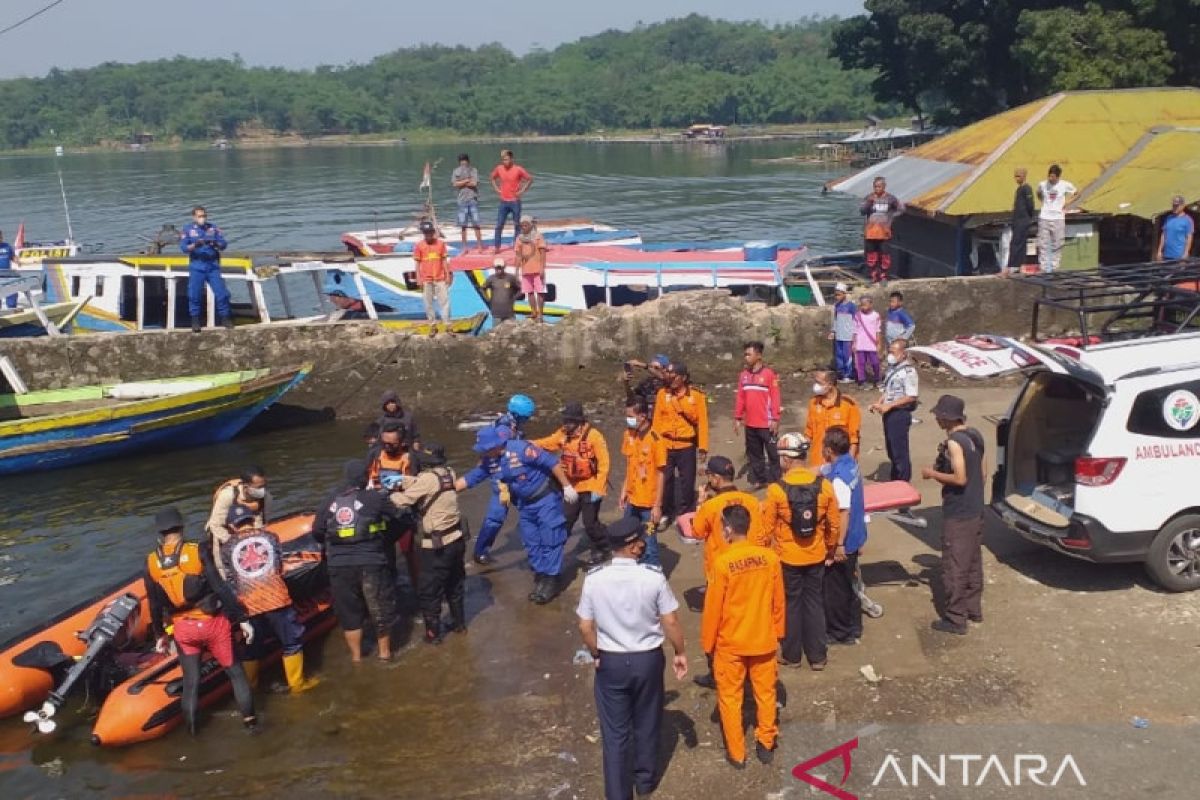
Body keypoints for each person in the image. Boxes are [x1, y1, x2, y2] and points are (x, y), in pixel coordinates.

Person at [576, 516, 689, 800]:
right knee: (647, 721)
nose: (643, 544)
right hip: (647, 659)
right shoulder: (652, 577)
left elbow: (585, 627)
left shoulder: (594, 579)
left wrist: (596, 653)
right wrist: (680, 652)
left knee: (615, 733)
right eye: (641, 540)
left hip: (612, 661)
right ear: (633, 547)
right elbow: (671, 621)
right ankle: (645, 781)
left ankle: (617, 793)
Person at [143, 506, 257, 734]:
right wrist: (241, 618)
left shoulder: (151, 561)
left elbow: (155, 604)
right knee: (236, 674)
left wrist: (160, 635)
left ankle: (193, 733)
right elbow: (220, 586)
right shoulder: (197, 550)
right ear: (181, 527)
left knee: (191, 683)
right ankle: (250, 725)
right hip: (213, 624)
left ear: (159, 533)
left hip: (183, 629)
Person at [701, 504, 785, 769]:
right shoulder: (769, 558)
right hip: (763, 639)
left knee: (730, 698)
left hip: (731, 643)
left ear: (727, 529)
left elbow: (712, 609)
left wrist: (707, 644)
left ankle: (737, 753)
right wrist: (778, 632)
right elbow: (779, 601)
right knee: (765, 693)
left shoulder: (723, 563)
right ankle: (766, 741)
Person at [456, 425, 576, 604]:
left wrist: (567, 486)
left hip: (545, 499)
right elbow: (470, 479)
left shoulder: (522, 449)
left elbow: (552, 463)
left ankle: (551, 579)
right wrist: (442, 489)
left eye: (485, 449)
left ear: (495, 445)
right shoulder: (490, 461)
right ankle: (541, 574)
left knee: (551, 538)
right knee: (531, 541)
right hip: (524, 505)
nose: (483, 453)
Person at [311, 459, 403, 662]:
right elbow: (398, 518)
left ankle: (356, 658)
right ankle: (385, 654)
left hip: (339, 564)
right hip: (371, 560)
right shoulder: (375, 498)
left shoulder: (329, 500)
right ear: (366, 477)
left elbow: (317, 531)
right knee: (379, 607)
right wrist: (385, 540)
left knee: (349, 613)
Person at [220, 505, 319, 693]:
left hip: (249, 604)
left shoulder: (227, 548)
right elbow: (279, 566)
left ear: (232, 526)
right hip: (276, 599)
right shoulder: (270, 537)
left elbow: (231, 580)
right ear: (252, 519)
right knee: (291, 643)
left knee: (252, 648)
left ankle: (251, 689)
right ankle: (297, 685)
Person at [761, 433, 839, 670]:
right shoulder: (824, 486)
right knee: (815, 602)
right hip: (816, 555)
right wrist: (830, 550)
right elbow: (833, 525)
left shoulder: (776, 491)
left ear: (786, 459)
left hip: (787, 558)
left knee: (791, 604)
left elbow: (766, 529)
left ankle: (792, 655)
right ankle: (818, 657)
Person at [689, 455, 767, 690]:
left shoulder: (712, 506)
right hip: (751, 569)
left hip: (721, 573)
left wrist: (700, 502)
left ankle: (719, 672)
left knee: (718, 625)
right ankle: (751, 669)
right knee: (751, 619)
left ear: (715, 478)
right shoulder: (751, 501)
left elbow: (696, 531)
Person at [389, 443, 468, 645]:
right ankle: (459, 624)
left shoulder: (426, 479)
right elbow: (426, 483)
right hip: (456, 539)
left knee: (428, 590)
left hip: (436, 546)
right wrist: (403, 480)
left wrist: (385, 496)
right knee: (454, 584)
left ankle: (433, 635)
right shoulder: (448, 472)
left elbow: (403, 500)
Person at [921, 395, 986, 636]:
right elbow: (983, 471)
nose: (936, 418)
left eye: (939, 415)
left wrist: (932, 474)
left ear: (947, 417)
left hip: (959, 513)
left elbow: (960, 478)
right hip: (976, 508)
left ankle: (956, 618)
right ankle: (973, 609)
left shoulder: (954, 443)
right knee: (972, 561)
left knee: (955, 565)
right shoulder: (976, 435)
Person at [534, 403, 612, 566]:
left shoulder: (594, 436)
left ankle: (605, 547)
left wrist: (598, 488)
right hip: (572, 485)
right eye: (564, 420)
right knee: (566, 520)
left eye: (568, 421)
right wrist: (527, 444)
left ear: (578, 421)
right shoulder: (563, 434)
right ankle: (554, 552)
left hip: (591, 486)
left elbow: (604, 464)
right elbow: (547, 443)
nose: (565, 424)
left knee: (590, 523)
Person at [471, 393, 536, 565]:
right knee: (495, 517)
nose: (526, 420)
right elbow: (492, 452)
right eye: (525, 418)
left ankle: (535, 544)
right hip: (502, 479)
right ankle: (480, 551)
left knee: (530, 509)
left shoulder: (512, 426)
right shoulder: (504, 430)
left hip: (514, 475)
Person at [820, 427, 868, 646]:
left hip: (845, 541)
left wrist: (838, 545)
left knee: (836, 589)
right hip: (857, 535)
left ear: (829, 450)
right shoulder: (851, 464)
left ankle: (840, 632)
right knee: (851, 583)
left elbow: (843, 513)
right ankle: (854, 626)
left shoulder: (838, 480)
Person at [652, 361, 708, 530]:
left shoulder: (696, 397)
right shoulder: (662, 394)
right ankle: (667, 512)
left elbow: (703, 424)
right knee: (665, 481)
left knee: (687, 482)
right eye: (667, 374)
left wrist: (703, 449)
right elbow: (656, 422)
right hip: (666, 444)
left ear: (683, 377)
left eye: (673, 374)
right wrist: (655, 445)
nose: (669, 377)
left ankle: (685, 513)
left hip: (686, 446)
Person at [367, 421, 421, 589]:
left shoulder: (409, 458)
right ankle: (391, 582)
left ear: (402, 442)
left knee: (409, 552)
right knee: (383, 548)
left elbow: (416, 487)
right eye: (384, 443)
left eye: (392, 444)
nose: (387, 446)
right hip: (381, 511)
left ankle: (418, 587)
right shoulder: (376, 454)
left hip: (403, 512)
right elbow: (366, 478)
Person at [618, 397, 668, 568]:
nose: (628, 419)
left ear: (643, 416)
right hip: (632, 499)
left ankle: (654, 575)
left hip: (649, 504)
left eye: (631, 416)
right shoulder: (628, 435)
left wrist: (658, 505)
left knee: (650, 543)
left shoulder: (656, 440)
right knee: (627, 538)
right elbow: (629, 465)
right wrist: (624, 490)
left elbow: (661, 474)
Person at [734, 340, 782, 489]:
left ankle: (776, 480)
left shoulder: (769, 375)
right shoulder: (743, 376)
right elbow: (741, 398)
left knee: (773, 454)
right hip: (750, 424)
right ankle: (760, 479)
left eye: (749, 354)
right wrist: (737, 417)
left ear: (759, 355)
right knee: (754, 454)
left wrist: (775, 418)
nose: (746, 357)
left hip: (766, 423)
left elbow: (775, 397)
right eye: (745, 354)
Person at [870, 338, 919, 482]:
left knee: (899, 451)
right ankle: (895, 477)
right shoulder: (893, 368)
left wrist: (889, 406)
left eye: (893, 352)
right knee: (891, 447)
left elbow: (911, 396)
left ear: (903, 354)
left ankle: (903, 481)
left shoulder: (909, 372)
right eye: (889, 351)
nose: (889, 355)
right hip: (889, 413)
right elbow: (889, 390)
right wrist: (879, 402)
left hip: (899, 414)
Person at [179, 205, 231, 332]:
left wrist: (215, 243)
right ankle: (195, 321)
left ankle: (225, 318)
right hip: (197, 265)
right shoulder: (188, 230)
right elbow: (184, 248)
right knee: (194, 294)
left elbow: (223, 244)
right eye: (200, 216)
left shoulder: (212, 228)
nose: (202, 218)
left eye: (204, 216)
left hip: (212, 265)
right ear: (194, 217)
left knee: (222, 293)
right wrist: (196, 244)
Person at [207, 466, 270, 558]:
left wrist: (258, 539)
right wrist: (234, 543)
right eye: (259, 487)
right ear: (246, 487)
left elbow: (258, 519)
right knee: (224, 563)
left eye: (264, 486)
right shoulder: (228, 495)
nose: (263, 490)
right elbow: (215, 525)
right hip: (223, 533)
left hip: (245, 530)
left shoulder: (260, 495)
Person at [803, 369, 861, 468]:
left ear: (830, 385)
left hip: (839, 464)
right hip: (818, 464)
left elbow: (853, 438)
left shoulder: (848, 405)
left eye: (819, 382)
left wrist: (849, 464)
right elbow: (808, 433)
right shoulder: (813, 403)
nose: (815, 385)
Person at [859, 177, 904, 284]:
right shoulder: (868, 197)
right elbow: (862, 211)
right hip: (870, 233)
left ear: (884, 187)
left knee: (885, 256)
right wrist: (869, 203)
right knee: (871, 256)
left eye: (879, 186)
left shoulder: (891, 198)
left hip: (884, 233)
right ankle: (873, 276)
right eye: (875, 186)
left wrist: (891, 217)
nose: (877, 189)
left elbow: (901, 209)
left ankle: (883, 276)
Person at [1036, 164, 1077, 274]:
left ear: (1058, 177)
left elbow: (1076, 193)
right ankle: (1044, 267)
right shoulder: (1042, 184)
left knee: (1058, 242)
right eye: (1050, 176)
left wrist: (1066, 203)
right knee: (1043, 243)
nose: (1051, 178)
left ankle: (1055, 266)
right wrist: (1043, 201)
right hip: (1044, 216)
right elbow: (1038, 193)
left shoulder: (1064, 185)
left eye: (1053, 176)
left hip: (1058, 217)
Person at [490, 149, 533, 252]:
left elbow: (530, 179)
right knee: (499, 225)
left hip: (515, 201)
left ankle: (516, 246)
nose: (505, 162)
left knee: (517, 225)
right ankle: (497, 247)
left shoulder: (518, 169)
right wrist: (497, 189)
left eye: (506, 159)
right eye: (503, 160)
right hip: (503, 201)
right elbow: (492, 178)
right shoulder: (499, 168)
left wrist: (522, 191)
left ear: (512, 159)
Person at [413, 220, 451, 335]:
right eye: (426, 233)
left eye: (430, 232)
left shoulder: (440, 244)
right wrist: (418, 277)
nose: (428, 235)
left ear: (433, 232)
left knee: (444, 302)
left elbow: (444, 260)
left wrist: (447, 275)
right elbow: (417, 263)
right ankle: (433, 325)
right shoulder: (419, 245)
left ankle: (447, 325)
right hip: (426, 279)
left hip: (440, 277)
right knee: (428, 303)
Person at [514, 215, 548, 323]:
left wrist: (542, 268)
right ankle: (534, 312)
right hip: (526, 269)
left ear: (530, 225)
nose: (524, 227)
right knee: (529, 292)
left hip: (537, 269)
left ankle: (541, 314)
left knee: (540, 292)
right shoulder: (519, 239)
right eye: (522, 225)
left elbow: (543, 253)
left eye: (526, 225)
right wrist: (516, 270)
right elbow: (518, 255)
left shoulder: (538, 236)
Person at [1003, 167, 1035, 277]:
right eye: (1015, 176)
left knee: (1016, 243)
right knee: (1018, 243)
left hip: (1023, 220)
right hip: (1017, 220)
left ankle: (1009, 267)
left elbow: (1030, 205)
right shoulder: (1019, 189)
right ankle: (1020, 266)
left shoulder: (1027, 188)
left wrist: (1027, 217)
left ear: (1024, 176)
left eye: (1018, 176)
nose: (1016, 178)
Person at [451, 153, 484, 252]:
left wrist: (461, 182)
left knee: (476, 224)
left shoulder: (474, 170)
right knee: (463, 225)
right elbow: (454, 184)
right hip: (462, 201)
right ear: (459, 162)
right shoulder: (456, 171)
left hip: (472, 199)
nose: (463, 162)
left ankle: (479, 246)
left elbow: (475, 183)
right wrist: (466, 180)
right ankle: (464, 247)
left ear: (468, 161)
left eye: (465, 160)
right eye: (461, 161)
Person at [828, 283, 856, 383]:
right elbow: (835, 320)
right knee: (839, 355)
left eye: (839, 294)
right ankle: (841, 373)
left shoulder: (851, 306)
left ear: (844, 294)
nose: (837, 297)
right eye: (836, 295)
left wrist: (854, 334)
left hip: (848, 336)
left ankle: (849, 374)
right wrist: (833, 331)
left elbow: (855, 321)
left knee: (847, 355)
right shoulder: (836, 306)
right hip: (839, 335)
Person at [853, 294, 882, 389]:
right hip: (860, 344)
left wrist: (879, 343)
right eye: (861, 305)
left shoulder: (876, 316)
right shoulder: (857, 316)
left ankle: (877, 379)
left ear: (871, 304)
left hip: (872, 344)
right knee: (860, 364)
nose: (863, 307)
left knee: (875, 363)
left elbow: (878, 330)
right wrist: (854, 343)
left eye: (865, 304)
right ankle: (862, 381)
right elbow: (855, 330)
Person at [1156, 195, 1194, 261]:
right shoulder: (1168, 218)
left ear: (1183, 206)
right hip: (1166, 255)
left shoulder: (1187, 220)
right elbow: (1164, 235)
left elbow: (1189, 238)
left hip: (1179, 256)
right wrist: (1159, 251)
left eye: (1177, 206)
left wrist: (1186, 253)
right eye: (1173, 205)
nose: (1175, 207)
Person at [483, 257, 522, 322]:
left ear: (504, 267)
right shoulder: (491, 278)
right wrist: (488, 299)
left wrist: (514, 297)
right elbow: (483, 288)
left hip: (509, 313)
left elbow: (521, 289)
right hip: (496, 313)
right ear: (494, 268)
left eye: (500, 267)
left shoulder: (511, 278)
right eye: (497, 268)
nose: (499, 269)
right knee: (496, 331)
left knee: (512, 330)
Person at [0, 230, 15, 308]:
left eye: (1, 236)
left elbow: (13, 257)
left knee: (12, 290)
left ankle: (12, 307)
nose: (1, 238)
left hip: (7, 274)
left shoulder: (7, 246)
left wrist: (18, 261)